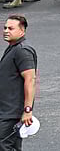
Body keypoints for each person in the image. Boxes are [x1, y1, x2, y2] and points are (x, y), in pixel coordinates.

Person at [1, 15, 36, 151]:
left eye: (10, 28)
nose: (6, 31)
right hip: (6, 110)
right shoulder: (13, 48)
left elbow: (30, 79)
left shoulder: (22, 51)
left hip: (12, 112)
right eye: (5, 28)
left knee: (4, 146)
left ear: (22, 31)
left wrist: (27, 110)